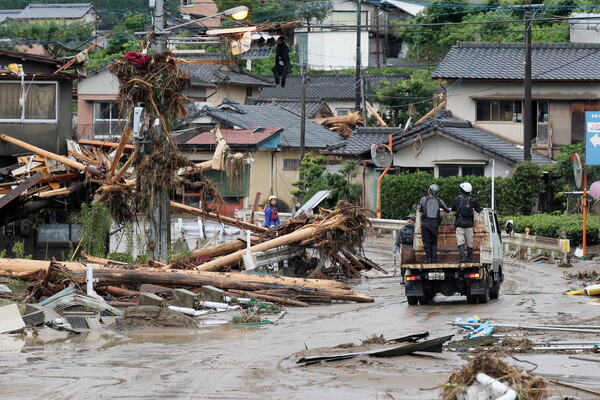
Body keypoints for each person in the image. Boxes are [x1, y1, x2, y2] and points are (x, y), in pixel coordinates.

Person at [452, 182, 483, 262]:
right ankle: (469, 258)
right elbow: (479, 210)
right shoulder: (473, 200)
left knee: (460, 242)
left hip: (459, 224)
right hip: (469, 225)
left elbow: (453, 209)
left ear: (462, 190)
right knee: (470, 242)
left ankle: (462, 258)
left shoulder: (456, 199)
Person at [419, 184, 450, 263]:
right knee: (434, 242)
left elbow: (420, 209)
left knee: (427, 242)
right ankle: (434, 259)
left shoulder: (423, 199)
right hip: (435, 224)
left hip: (425, 223)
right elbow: (447, 209)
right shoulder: (439, 200)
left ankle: (428, 259)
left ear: (430, 191)